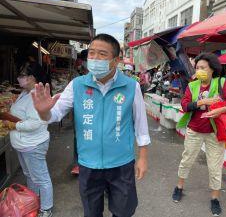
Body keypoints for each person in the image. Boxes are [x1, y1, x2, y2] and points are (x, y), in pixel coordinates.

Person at [31, 34, 151, 217]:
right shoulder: (77, 85)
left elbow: (141, 124)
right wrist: (43, 111)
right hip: (88, 164)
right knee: (92, 212)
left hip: (121, 164)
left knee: (124, 211)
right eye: (92, 53)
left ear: (116, 60)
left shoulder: (130, 86)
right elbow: (54, 115)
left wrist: (142, 157)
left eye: (102, 54)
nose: (94, 58)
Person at [173, 53, 226, 216]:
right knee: (186, 159)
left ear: (212, 70)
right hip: (194, 130)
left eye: (203, 68)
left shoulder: (221, 83)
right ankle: (179, 187)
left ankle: (215, 198)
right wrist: (202, 102)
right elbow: (185, 105)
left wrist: (221, 110)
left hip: (214, 132)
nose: (199, 70)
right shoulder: (192, 86)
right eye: (197, 68)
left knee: (215, 166)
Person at [3, 63, 53, 217]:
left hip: (33, 144)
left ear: (32, 78)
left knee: (41, 177)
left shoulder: (36, 95)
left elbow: (35, 123)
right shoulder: (26, 92)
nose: (19, 78)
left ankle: (46, 208)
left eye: (22, 75)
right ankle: (34, 200)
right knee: (30, 175)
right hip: (24, 144)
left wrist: (13, 124)